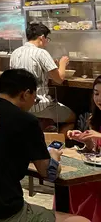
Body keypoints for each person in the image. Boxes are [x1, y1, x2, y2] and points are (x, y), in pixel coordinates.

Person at [0, 69, 88, 222]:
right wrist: (54, 156)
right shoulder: (26, 121)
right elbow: (48, 173)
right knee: (80, 221)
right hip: (0, 212)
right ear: (26, 94)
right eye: (35, 99)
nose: (33, 104)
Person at [10, 23, 75, 133]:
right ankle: (56, 142)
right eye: (47, 39)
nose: (47, 42)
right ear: (42, 37)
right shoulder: (41, 53)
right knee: (72, 117)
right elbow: (59, 79)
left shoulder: (15, 53)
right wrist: (63, 63)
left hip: (19, 104)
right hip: (39, 105)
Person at [66, 75, 101, 221]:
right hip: (96, 170)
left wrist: (99, 136)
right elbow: (95, 150)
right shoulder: (95, 118)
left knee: (95, 192)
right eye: (96, 93)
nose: (99, 99)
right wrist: (85, 141)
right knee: (72, 184)